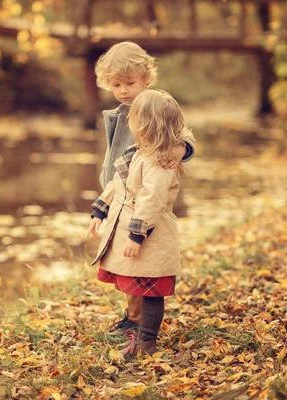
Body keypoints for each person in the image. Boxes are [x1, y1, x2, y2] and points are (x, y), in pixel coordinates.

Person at [93, 41, 196, 337]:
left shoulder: (157, 107)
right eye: (116, 84)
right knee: (126, 261)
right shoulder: (118, 113)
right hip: (120, 193)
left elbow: (184, 132)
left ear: (146, 79)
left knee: (142, 260)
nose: (124, 90)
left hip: (147, 194)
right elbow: (114, 154)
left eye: (130, 83)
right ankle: (132, 316)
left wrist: (181, 147)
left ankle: (141, 323)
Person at [87, 89, 188, 358]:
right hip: (138, 228)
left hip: (152, 235)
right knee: (142, 284)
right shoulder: (140, 152)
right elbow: (117, 185)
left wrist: (137, 235)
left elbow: (152, 200)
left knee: (152, 289)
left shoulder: (159, 162)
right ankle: (137, 331)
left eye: (133, 120)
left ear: (144, 126)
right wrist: (100, 210)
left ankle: (146, 342)